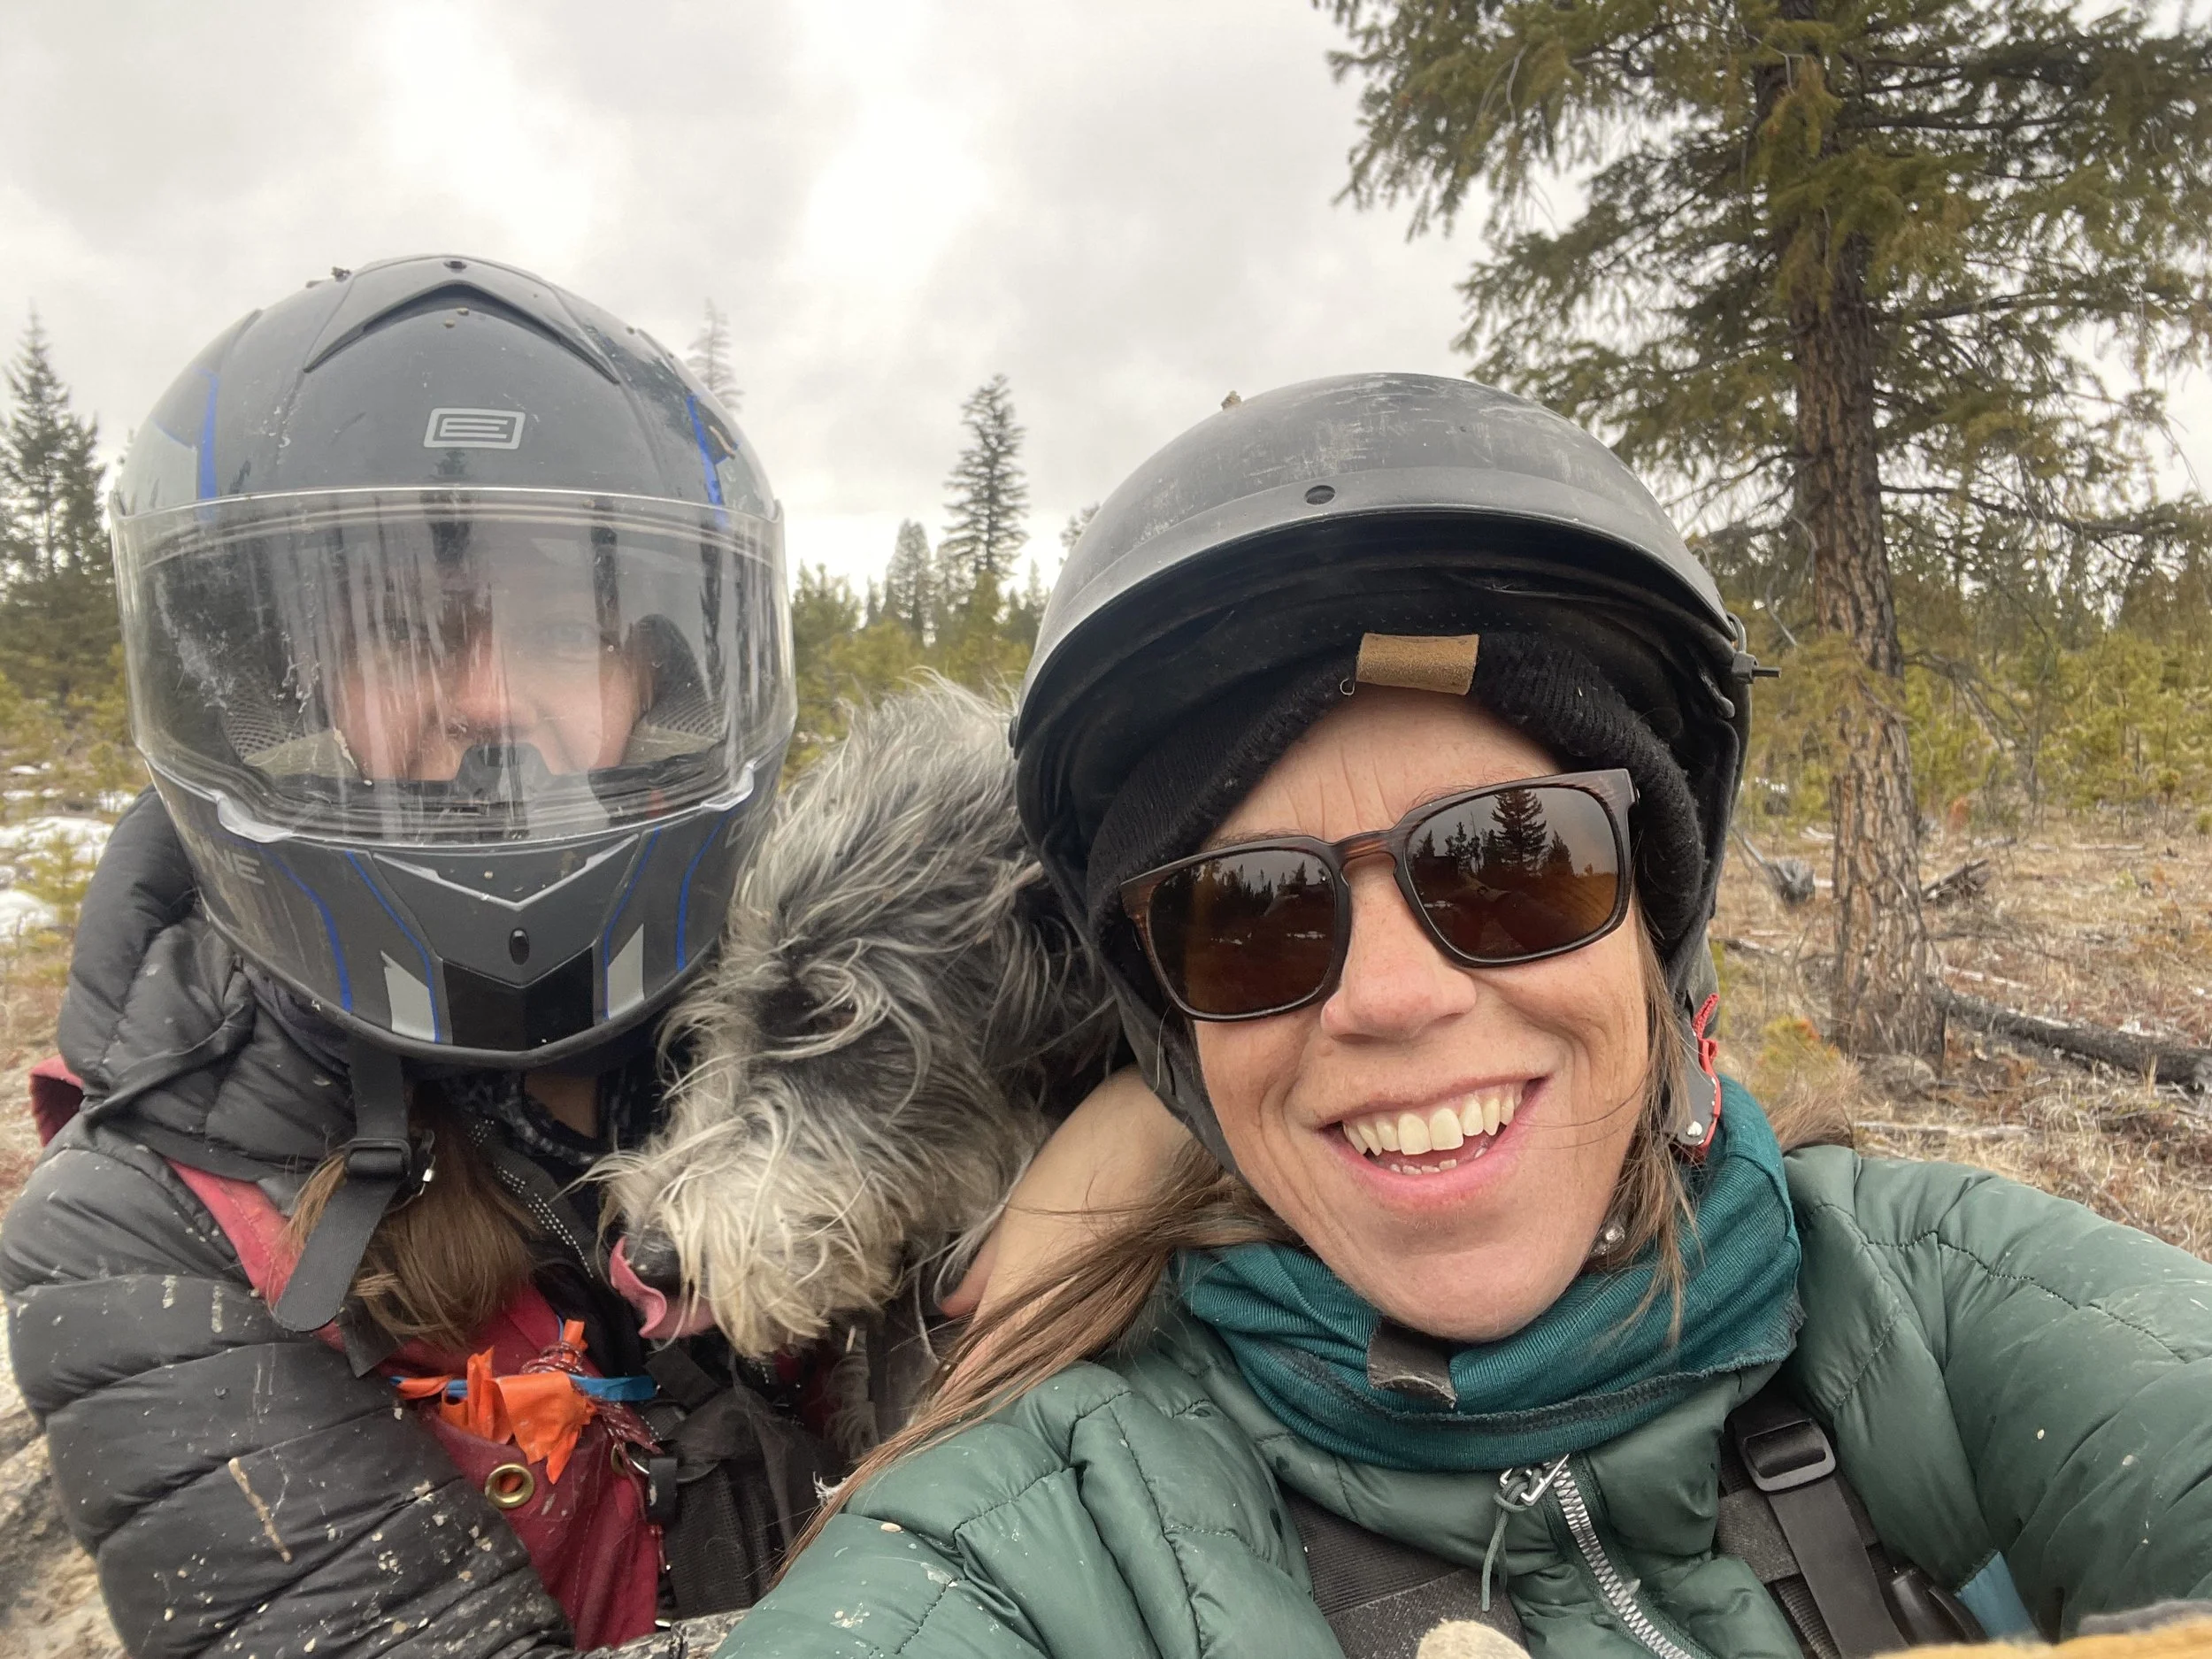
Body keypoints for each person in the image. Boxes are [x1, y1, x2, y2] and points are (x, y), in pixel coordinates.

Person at [728, 373, 2212, 1657]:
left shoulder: (1946, 1304)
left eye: (1513, 862)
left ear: (1654, 922)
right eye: (1252, 912)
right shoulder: (1035, 1529)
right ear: (1176, 1031)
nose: (1392, 995)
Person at [0, 257, 1131, 1658]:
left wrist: (1146, 1138)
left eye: (558, 629)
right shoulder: (146, 1223)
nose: (484, 697)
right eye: (404, 633)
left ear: (660, 678)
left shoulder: (808, 953)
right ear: (292, 688)